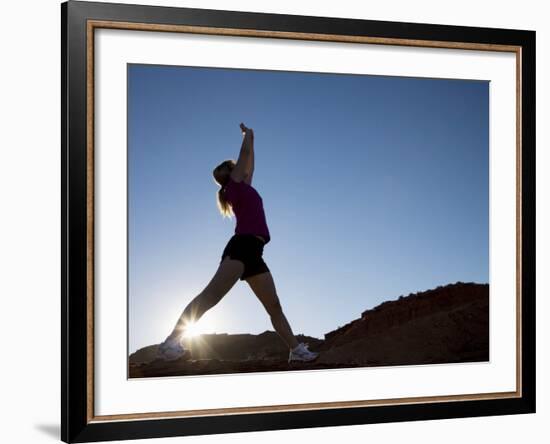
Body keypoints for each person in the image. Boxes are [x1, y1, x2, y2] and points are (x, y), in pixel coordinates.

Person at [157, 122, 319, 363]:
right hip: (241, 247)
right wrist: (247, 135)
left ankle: (296, 351)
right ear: (230, 173)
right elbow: (244, 156)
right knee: (211, 296)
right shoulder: (234, 185)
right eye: (233, 167)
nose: (241, 167)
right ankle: (171, 342)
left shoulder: (243, 186)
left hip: (255, 252)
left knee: (274, 306)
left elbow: (249, 159)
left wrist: (251, 139)